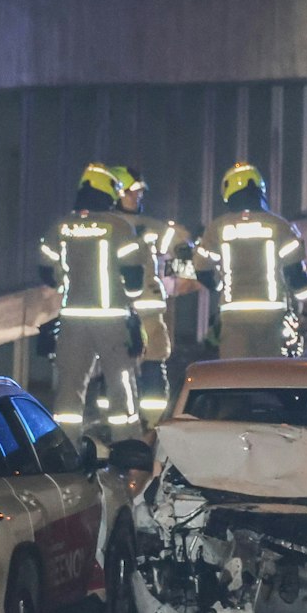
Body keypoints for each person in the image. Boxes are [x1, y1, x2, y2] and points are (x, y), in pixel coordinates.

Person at [37, 164, 150, 439]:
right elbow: (134, 277)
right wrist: (130, 304)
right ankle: (126, 444)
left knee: (70, 386)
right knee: (120, 383)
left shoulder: (61, 227)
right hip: (111, 319)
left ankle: (66, 445)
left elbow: (45, 272)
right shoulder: (119, 227)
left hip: (73, 319)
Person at [192, 162, 307, 359]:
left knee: (236, 376)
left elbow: (201, 270)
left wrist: (220, 287)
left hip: (233, 316)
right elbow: (296, 275)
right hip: (273, 316)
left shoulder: (216, 228)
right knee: (270, 376)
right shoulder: (281, 227)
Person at [109, 165, 189, 421]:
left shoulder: (114, 226)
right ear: (116, 192)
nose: (138, 197)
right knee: (133, 366)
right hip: (125, 309)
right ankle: (143, 424)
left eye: (140, 192)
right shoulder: (147, 227)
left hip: (133, 310)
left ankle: (144, 424)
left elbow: (180, 249)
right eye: (132, 192)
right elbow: (180, 249)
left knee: (144, 363)